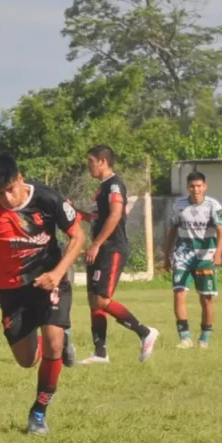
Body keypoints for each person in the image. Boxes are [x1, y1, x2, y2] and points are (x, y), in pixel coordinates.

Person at [0, 152, 85, 435]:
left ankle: (38, 413)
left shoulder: (47, 200)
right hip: (10, 289)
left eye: (10, 189)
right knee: (26, 360)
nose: (6, 199)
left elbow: (78, 236)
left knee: (54, 343)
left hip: (49, 280)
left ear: (20, 178)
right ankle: (54, 342)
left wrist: (57, 273)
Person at [78, 145, 158, 364]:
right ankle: (100, 353)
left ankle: (145, 332)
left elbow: (114, 217)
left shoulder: (114, 185)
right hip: (101, 248)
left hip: (112, 248)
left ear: (103, 161)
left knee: (102, 300)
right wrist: (77, 214)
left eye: (91, 161)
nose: (89, 166)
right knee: (94, 301)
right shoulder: (102, 187)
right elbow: (99, 217)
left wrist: (96, 244)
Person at [164, 172, 222, 349]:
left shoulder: (213, 206)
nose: (196, 189)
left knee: (206, 299)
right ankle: (185, 338)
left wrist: (219, 253)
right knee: (179, 293)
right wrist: (168, 254)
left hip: (205, 257)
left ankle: (204, 338)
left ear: (205, 187)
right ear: (187, 188)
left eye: (199, 186)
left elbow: (221, 232)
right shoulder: (179, 205)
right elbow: (173, 230)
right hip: (183, 255)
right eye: (192, 186)